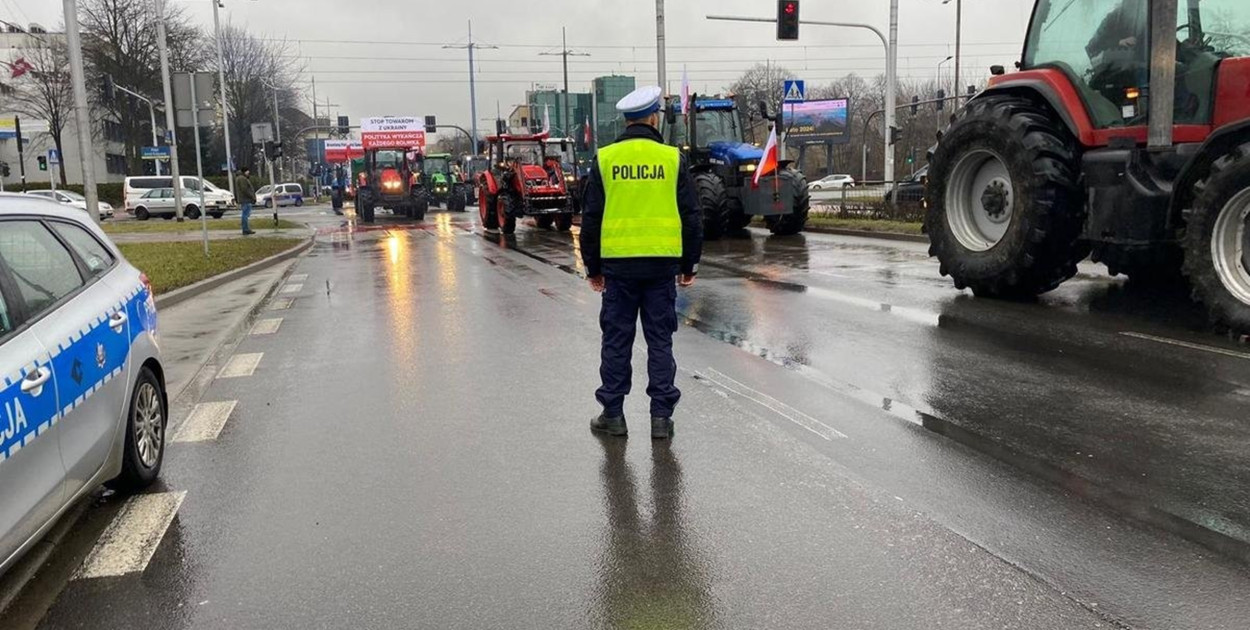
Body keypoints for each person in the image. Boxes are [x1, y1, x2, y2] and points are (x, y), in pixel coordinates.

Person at [580, 85, 702, 440]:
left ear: (627, 119)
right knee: (660, 341)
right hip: (662, 267)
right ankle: (661, 420)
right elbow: (691, 215)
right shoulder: (672, 158)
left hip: (618, 269)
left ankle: (613, 415)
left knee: (617, 341)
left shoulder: (605, 159)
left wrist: (593, 267)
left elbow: (591, 217)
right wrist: (689, 264)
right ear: (652, 118)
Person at [235, 166, 256, 235]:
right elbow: (245, 189)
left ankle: (246, 228)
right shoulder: (242, 179)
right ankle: (245, 229)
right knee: (245, 214)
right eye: (248, 171)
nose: (249, 172)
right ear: (245, 171)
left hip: (244, 199)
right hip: (245, 199)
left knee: (246, 214)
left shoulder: (241, 178)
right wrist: (252, 196)